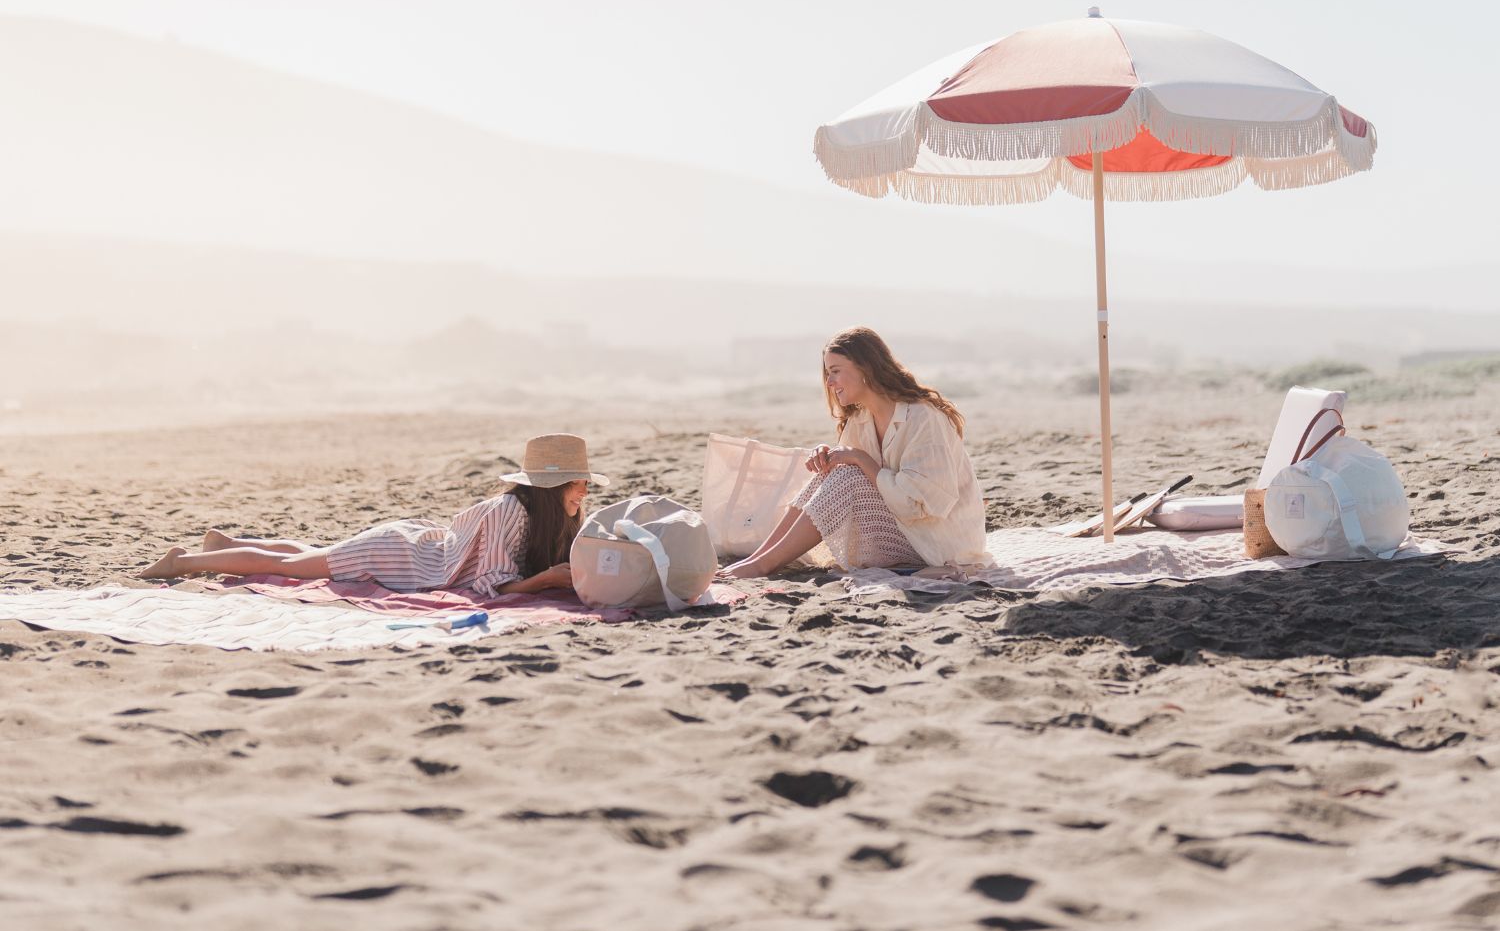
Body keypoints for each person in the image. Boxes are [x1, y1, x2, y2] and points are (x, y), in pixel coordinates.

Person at [139, 434, 608, 596]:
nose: (585, 489)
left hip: (417, 545)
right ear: (550, 487)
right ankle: (182, 562)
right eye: (577, 481)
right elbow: (493, 584)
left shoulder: (562, 516)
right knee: (291, 567)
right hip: (399, 557)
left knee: (314, 555)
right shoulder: (508, 511)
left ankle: (223, 546)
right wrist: (546, 580)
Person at [723, 327, 986, 577]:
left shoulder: (922, 418)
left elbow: (916, 506)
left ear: (865, 368)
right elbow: (848, 472)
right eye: (827, 373)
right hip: (903, 530)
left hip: (938, 542)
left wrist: (859, 458)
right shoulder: (861, 419)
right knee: (833, 473)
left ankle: (763, 565)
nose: (829, 382)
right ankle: (757, 559)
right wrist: (831, 456)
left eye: (835, 371)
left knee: (848, 475)